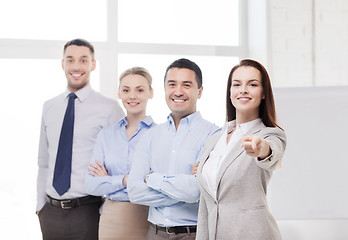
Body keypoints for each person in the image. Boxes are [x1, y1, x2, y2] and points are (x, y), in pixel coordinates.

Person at [36, 38, 124, 240]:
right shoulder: (49, 106)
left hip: (88, 211)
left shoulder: (109, 108)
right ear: (63, 64)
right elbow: (43, 162)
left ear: (93, 64)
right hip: (50, 212)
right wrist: (40, 205)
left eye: (83, 60)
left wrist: (104, 209)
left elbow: (121, 162)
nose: (76, 66)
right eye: (70, 60)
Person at [127, 58, 220, 240]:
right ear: (164, 89)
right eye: (172, 84)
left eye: (186, 85)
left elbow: (196, 191)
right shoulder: (150, 136)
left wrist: (151, 178)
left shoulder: (214, 135)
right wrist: (183, 190)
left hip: (193, 234)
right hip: (155, 233)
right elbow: (134, 191)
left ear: (199, 91)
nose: (178, 92)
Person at [195, 59, 287, 240]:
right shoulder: (214, 140)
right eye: (237, 84)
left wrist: (262, 149)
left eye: (252, 84)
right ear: (230, 92)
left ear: (263, 93)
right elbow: (206, 206)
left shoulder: (270, 135)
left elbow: (271, 152)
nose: (243, 89)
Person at [85, 67, 155, 240]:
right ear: (119, 93)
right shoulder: (107, 134)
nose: (132, 96)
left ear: (150, 93)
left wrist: (108, 179)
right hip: (111, 218)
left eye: (139, 90)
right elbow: (91, 185)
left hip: (147, 216)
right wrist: (126, 179)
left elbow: (158, 183)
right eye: (126, 90)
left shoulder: (160, 134)